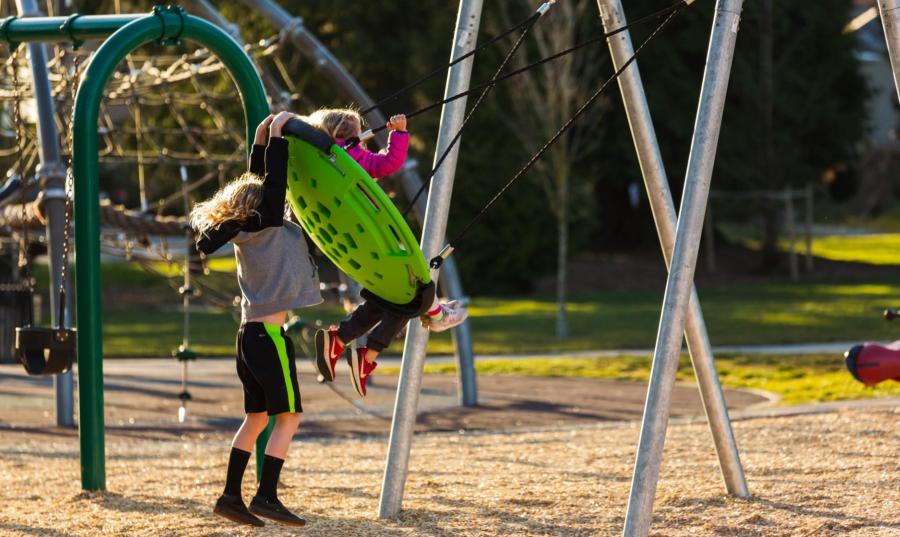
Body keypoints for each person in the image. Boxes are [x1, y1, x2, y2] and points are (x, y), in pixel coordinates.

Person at [191, 112, 318, 528]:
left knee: (257, 418)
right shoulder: (268, 221)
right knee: (290, 417)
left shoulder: (249, 228)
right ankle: (266, 496)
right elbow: (274, 183)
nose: (276, 199)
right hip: (269, 337)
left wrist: (262, 138)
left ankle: (230, 497)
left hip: (248, 336)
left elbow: (261, 183)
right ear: (262, 204)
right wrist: (278, 134)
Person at [304, 108, 468, 397]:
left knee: (392, 295)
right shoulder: (351, 159)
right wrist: (399, 133)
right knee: (416, 290)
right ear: (352, 138)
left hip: (348, 238)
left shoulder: (322, 162)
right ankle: (421, 320)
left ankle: (342, 340)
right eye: (360, 137)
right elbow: (389, 163)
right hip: (370, 235)